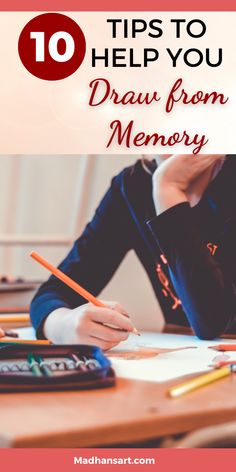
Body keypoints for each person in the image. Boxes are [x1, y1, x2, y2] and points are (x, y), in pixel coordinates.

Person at [30, 154, 236, 349]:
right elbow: (54, 292)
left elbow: (213, 323)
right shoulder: (133, 185)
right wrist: (62, 325)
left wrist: (168, 191)